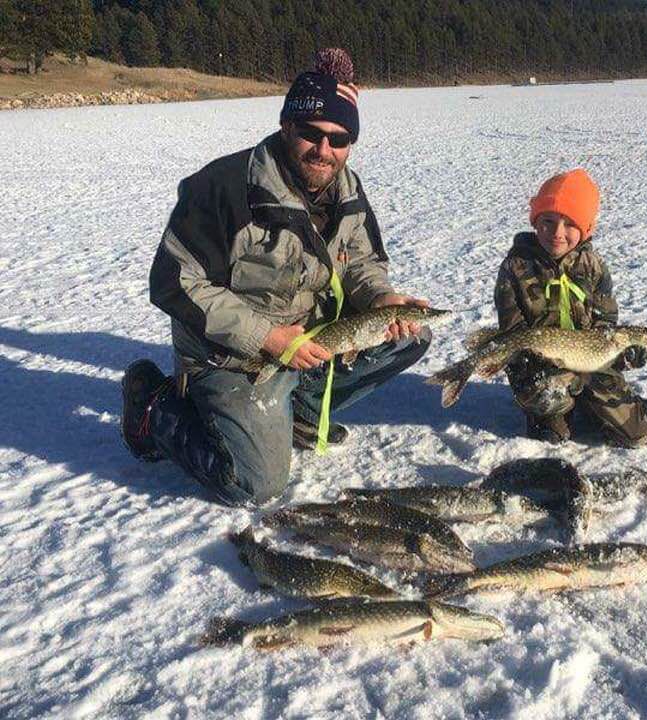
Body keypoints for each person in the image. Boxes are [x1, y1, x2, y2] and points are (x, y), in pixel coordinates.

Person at [120, 49, 431, 506]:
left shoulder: (347, 189)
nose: (324, 150)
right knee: (255, 485)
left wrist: (382, 297)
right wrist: (267, 337)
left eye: (339, 138)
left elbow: (361, 261)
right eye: (311, 133)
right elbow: (175, 281)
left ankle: (300, 412)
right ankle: (154, 407)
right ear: (287, 125)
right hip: (232, 352)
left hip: (306, 335)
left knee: (409, 334)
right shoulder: (223, 188)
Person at [493, 168, 647, 446]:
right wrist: (527, 358)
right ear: (535, 221)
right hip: (539, 370)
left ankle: (600, 405)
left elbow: (604, 327)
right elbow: (512, 329)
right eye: (548, 221)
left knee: (637, 435)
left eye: (570, 224)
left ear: (587, 228)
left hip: (590, 364)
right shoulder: (516, 266)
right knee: (550, 436)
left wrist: (624, 357)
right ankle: (553, 414)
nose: (557, 233)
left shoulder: (594, 268)